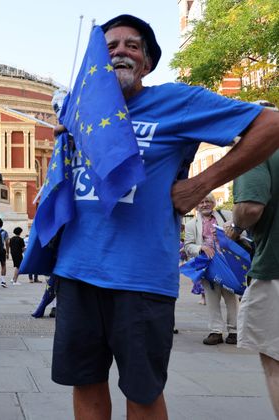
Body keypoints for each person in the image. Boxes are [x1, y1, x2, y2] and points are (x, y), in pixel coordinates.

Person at [46, 14, 279, 419]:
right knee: (84, 382)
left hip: (141, 279)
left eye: (131, 46)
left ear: (147, 63)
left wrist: (201, 184)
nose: (119, 52)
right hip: (76, 272)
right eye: (109, 47)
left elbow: (270, 124)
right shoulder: (79, 111)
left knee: (143, 392)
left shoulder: (177, 101)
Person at [226, 144, 279, 417]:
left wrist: (235, 228)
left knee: (276, 363)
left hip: (275, 269)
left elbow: (249, 208)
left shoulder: (260, 147)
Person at [184, 194, 237, 345]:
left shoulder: (226, 215)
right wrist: (201, 247)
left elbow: (242, 232)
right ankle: (216, 332)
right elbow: (188, 246)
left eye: (208, 201)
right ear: (197, 206)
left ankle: (234, 331)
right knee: (212, 299)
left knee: (231, 298)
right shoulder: (191, 224)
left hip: (228, 264)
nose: (205, 204)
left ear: (213, 204)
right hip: (208, 266)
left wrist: (229, 234)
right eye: (201, 202)